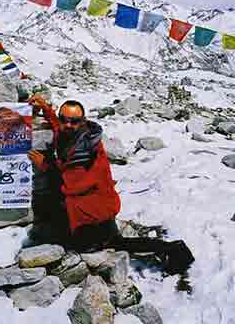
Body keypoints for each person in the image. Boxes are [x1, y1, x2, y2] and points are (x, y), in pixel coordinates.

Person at [27, 95, 195, 275]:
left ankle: (173, 249)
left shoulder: (88, 152)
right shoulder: (73, 134)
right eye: (64, 119)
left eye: (74, 121)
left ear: (83, 122)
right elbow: (59, 128)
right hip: (90, 210)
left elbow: (73, 185)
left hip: (94, 215)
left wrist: (45, 164)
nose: (68, 125)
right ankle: (169, 248)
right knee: (115, 241)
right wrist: (46, 108)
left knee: (109, 244)